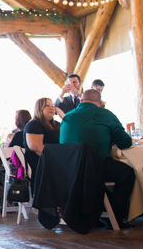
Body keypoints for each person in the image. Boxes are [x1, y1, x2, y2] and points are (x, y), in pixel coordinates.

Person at [58, 89, 135, 224]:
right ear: (100, 103)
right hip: (96, 169)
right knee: (128, 173)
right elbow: (125, 142)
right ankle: (115, 218)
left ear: (81, 101)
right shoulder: (106, 115)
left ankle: (98, 211)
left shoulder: (67, 117)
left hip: (69, 171)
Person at [24, 98, 61, 174]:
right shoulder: (34, 124)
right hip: (41, 164)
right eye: (47, 105)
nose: (52, 108)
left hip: (54, 160)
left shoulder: (56, 124)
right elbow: (36, 147)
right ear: (39, 108)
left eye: (53, 106)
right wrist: (59, 159)